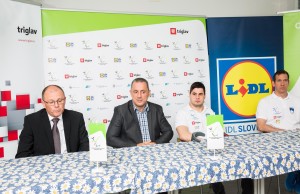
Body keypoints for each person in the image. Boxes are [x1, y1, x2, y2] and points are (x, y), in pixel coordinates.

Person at [175, 81, 253, 194]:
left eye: (200, 94)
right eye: (194, 94)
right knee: (213, 169)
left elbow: (218, 132)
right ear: (189, 95)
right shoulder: (182, 112)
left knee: (244, 161)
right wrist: (207, 139)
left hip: (213, 148)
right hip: (194, 153)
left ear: (204, 96)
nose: (197, 97)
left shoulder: (210, 112)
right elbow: (183, 135)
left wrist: (218, 135)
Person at [15, 85, 89, 158]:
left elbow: (85, 148)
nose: (56, 105)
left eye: (60, 101)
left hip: (71, 164)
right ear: (43, 103)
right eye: (51, 102)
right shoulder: (31, 121)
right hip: (44, 166)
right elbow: (22, 154)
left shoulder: (76, 118)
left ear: (65, 100)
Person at [256, 69, 300, 193]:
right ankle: (292, 180)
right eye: (279, 81)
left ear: (288, 82)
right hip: (275, 143)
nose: (282, 83)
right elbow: (261, 126)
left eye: (285, 80)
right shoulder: (265, 102)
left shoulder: (297, 101)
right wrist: (283, 132)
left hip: (296, 141)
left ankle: (292, 181)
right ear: (273, 83)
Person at [106, 77, 173, 148]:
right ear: (131, 93)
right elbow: (110, 138)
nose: (139, 96)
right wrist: (136, 146)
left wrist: (155, 144)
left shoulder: (157, 109)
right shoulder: (120, 110)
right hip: (131, 152)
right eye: (135, 92)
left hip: (154, 150)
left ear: (149, 93)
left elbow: (168, 132)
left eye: (143, 92)